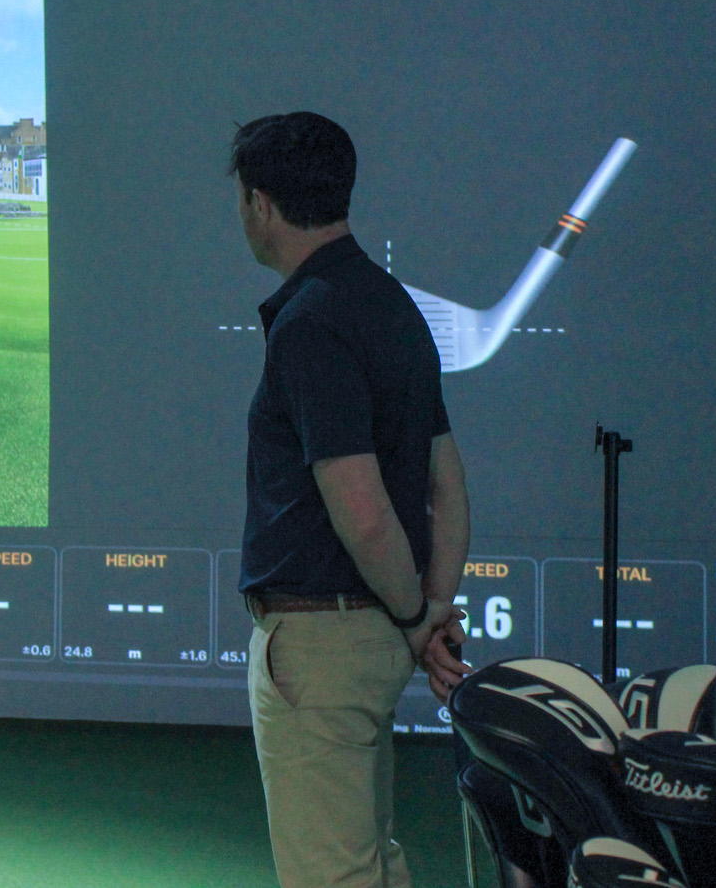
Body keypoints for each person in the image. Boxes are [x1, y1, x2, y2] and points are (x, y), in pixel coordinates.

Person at [231, 111, 471, 888]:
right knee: (369, 859)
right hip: (371, 637)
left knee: (333, 875)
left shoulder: (310, 323)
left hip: (324, 644)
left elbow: (363, 510)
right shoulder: (392, 305)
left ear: (261, 204)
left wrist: (414, 617)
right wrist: (430, 609)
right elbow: (448, 486)